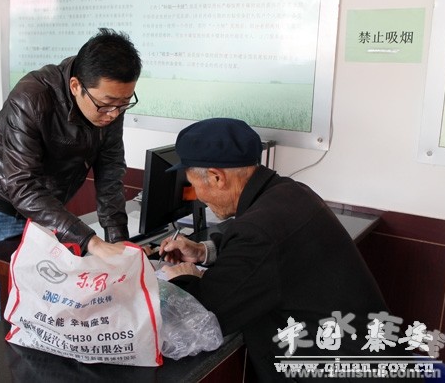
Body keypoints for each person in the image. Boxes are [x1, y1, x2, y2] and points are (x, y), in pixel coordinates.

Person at [159, 118, 420, 382]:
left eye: (195, 185)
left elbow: (205, 315)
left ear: (217, 177)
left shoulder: (257, 233)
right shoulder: (291, 192)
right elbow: (271, 251)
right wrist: (204, 251)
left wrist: (183, 278)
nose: (197, 195)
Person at [0, 28, 141, 324]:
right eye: (106, 104)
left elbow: (110, 169)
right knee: (7, 294)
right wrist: (90, 241)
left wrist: (118, 241)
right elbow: (22, 186)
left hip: (50, 201)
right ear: (76, 86)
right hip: (6, 199)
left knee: (46, 292)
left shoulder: (110, 103)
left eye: (124, 103)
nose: (114, 114)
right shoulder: (31, 97)